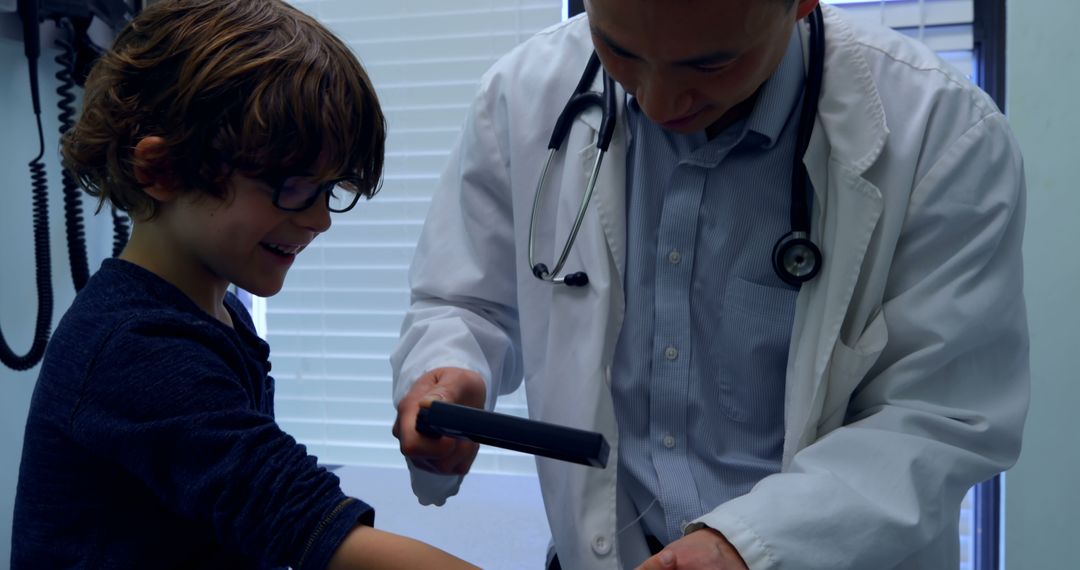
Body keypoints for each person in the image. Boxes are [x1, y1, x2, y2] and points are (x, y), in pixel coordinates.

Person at [390, 0, 1030, 568]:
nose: (660, 101)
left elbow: (938, 417)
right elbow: (463, 300)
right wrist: (452, 364)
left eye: (711, 65)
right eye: (620, 50)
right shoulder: (522, 93)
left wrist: (748, 543)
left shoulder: (943, 132)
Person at [10, 1, 480, 569]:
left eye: (330, 189)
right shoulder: (137, 349)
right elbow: (309, 527)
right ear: (160, 171)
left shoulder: (219, 313)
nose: (319, 219)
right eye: (291, 187)